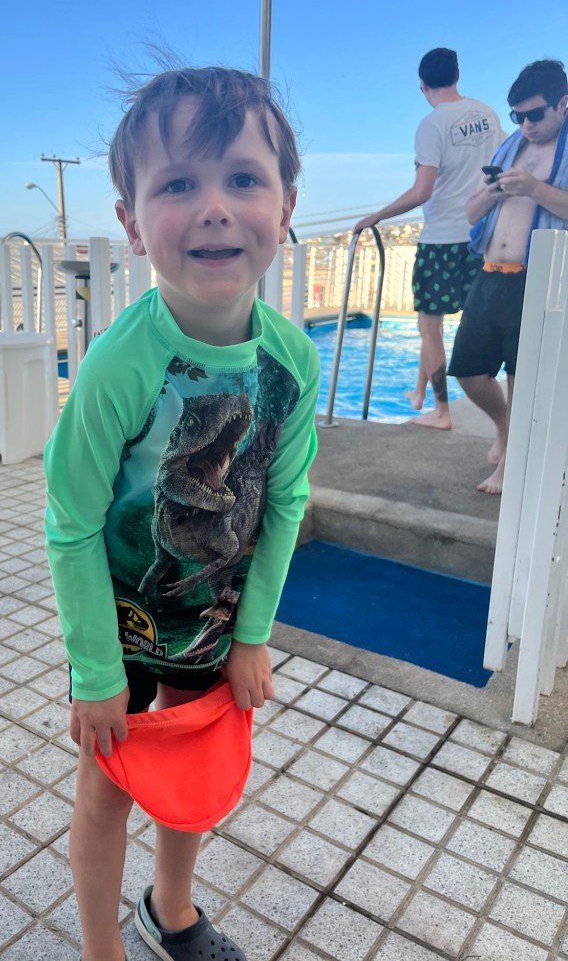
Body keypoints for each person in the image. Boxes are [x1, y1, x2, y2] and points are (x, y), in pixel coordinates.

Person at [43, 66, 319, 961]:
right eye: (178, 185)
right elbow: (71, 522)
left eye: (242, 178)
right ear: (132, 222)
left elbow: (286, 499)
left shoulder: (293, 361)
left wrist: (253, 635)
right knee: (108, 785)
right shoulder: (119, 366)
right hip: (121, 618)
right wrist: (95, 671)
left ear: (285, 206)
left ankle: (171, 909)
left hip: (212, 615)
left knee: (190, 772)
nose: (214, 208)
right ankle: (102, 949)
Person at [354, 48, 504, 429]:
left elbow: (422, 191)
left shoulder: (432, 125)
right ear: (457, 75)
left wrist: (376, 216)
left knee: (429, 327)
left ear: (422, 85)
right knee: (440, 324)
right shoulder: (487, 114)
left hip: (441, 240)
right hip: (482, 236)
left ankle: (441, 411)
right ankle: (421, 393)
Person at [448, 59, 568, 494]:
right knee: (469, 371)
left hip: (539, 279)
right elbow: (471, 212)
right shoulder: (510, 148)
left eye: (535, 114)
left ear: (563, 104)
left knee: (521, 379)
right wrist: (494, 192)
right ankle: (504, 429)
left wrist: (534, 188)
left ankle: (510, 470)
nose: (527, 125)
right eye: (518, 116)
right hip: (490, 275)